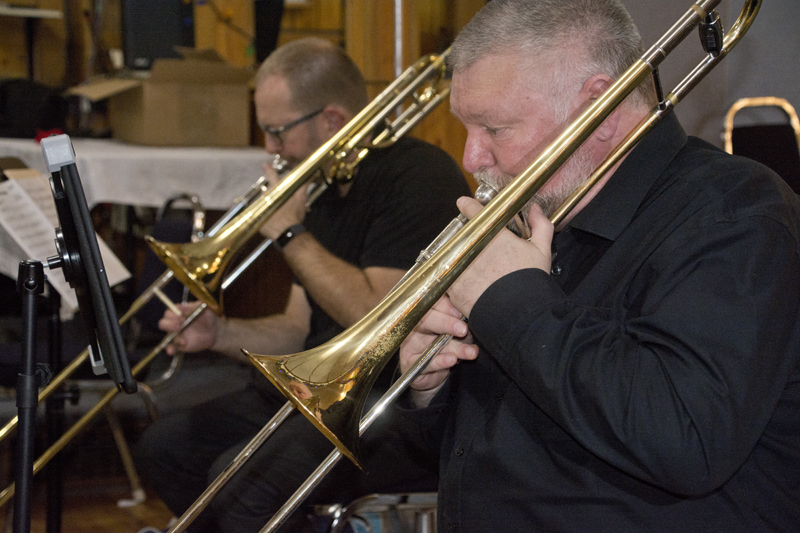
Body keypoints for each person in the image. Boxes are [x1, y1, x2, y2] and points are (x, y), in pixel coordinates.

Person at [397, 0, 800, 531]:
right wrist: (428, 390)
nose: (471, 158)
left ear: (601, 111)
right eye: (466, 127)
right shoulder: (538, 215)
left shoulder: (736, 213)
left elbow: (686, 436)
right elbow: (478, 449)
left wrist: (513, 302)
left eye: (495, 128)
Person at [134, 37, 470, 532]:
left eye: (276, 132)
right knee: (164, 448)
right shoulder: (324, 190)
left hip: (394, 409)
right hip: (315, 392)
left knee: (239, 487)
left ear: (332, 120)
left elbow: (382, 320)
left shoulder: (419, 176)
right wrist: (220, 334)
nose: (270, 148)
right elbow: (299, 327)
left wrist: (291, 235)